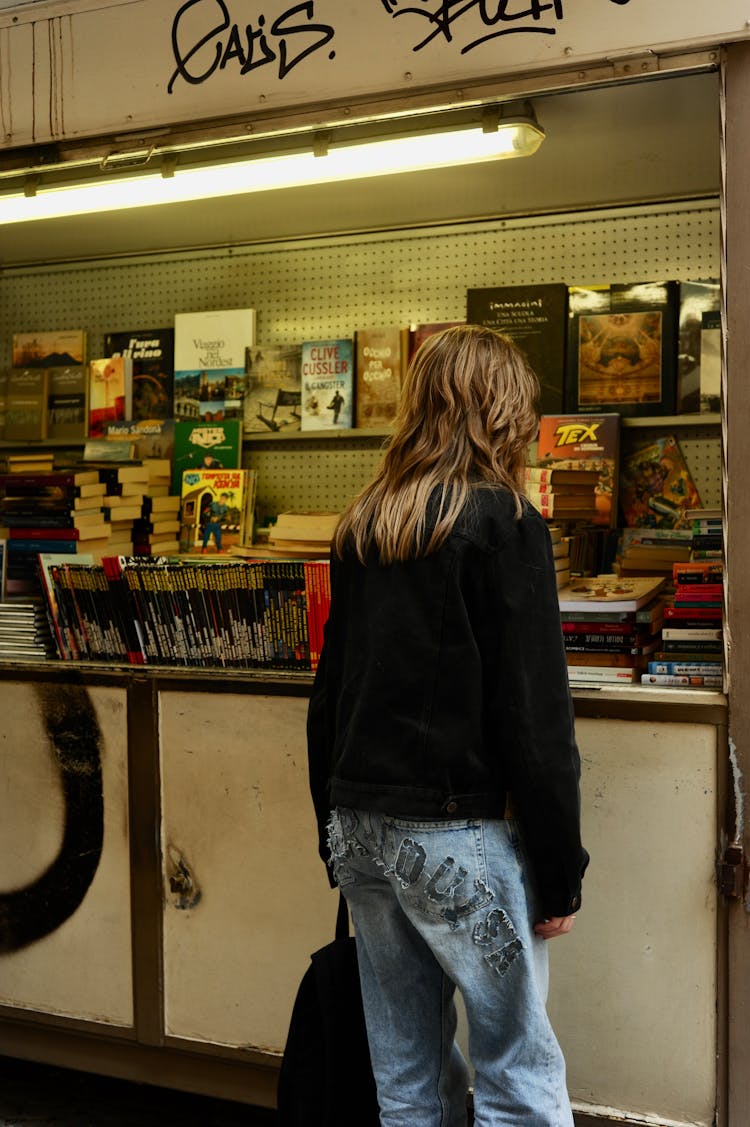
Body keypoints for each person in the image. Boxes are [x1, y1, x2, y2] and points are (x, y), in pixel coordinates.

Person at [306, 324, 588, 1127]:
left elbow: (329, 697)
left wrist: (332, 835)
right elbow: (534, 715)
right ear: (504, 410)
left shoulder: (365, 525)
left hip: (360, 826)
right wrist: (561, 868)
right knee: (517, 1069)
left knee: (408, 1074)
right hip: (458, 831)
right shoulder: (507, 524)